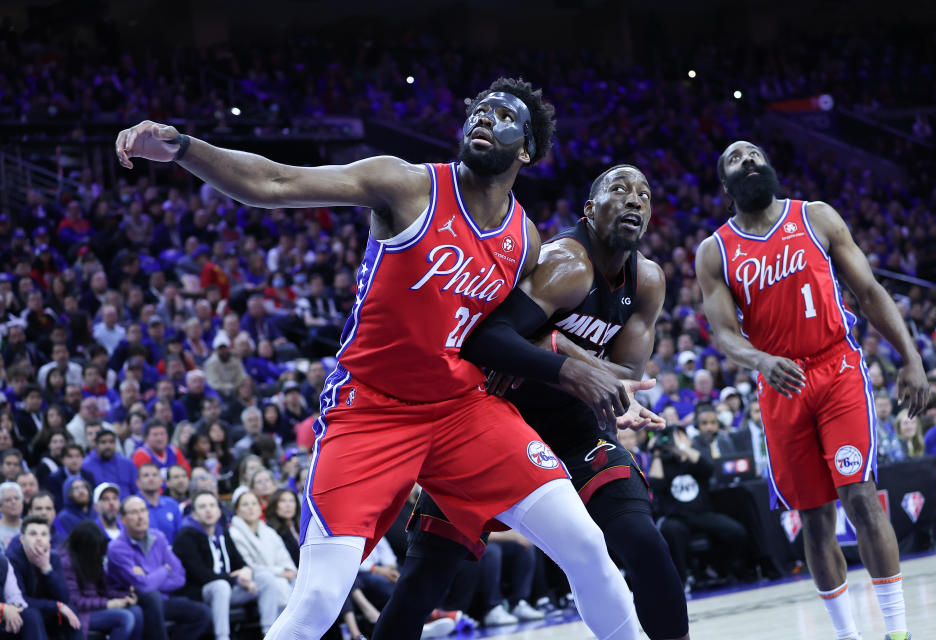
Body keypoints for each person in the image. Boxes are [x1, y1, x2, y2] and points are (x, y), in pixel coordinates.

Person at [116, 77, 646, 639]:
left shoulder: (526, 240)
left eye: (502, 116)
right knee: (319, 596)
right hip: (369, 408)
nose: (483, 119)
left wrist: (599, 375)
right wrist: (182, 147)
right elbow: (272, 182)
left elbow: (510, 338)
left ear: (526, 150)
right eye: (478, 112)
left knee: (586, 544)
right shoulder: (406, 185)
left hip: (462, 410)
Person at [372, 165, 688, 640]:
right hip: (496, 425)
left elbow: (624, 377)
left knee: (642, 540)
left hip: (574, 430)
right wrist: (568, 355)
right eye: (619, 190)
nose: (634, 200)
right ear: (589, 208)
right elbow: (485, 338)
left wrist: (556, 348)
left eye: (644, 194)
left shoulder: (646, 280)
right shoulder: (567, 264)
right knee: (424, 578)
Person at [695, 140, 929, 640]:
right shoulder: (714, 251)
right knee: (815, 519)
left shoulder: (816, 216)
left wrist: (911, 358)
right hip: (779, 384)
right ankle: (847, 635)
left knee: (861, 496)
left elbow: (869, 292)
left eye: (754, 154)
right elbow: (723, 335)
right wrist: (761, 360)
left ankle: (898, 632)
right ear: (726, 184)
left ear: (770, 166)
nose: (749, 161)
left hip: (836, 368)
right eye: (736, 159)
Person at [173, 491, 286, 640]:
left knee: (265, 578)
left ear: (219, 512)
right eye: (202, 506)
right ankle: (223, 637)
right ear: (194, 514)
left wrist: (246, 572)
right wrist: (236, 580)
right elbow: (201, 575)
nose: (208, 510)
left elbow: (239, 562)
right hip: (201, 592)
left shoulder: (223, 533)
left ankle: (269, 633)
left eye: (212, 505)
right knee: (220, 586)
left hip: (229, 587)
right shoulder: (185, 536)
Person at [647, 426, 748, 588]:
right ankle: (683, 579)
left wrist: (683, 448)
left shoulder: (694, 461)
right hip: (677, 517)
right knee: (671, 531)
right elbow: (656, 485)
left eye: (679, 437)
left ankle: (716, 569)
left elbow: (708, 468)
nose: (673, 441)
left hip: (702, 514)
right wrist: (657, 453)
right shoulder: (663, 463)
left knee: (736, 531)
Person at [105, 496, 211, 640]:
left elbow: (180, 576)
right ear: (122, 519)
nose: (140, 516)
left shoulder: (158, 537)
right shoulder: (116, 548)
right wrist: (165, 570)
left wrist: (149, 577)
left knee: (202, 613)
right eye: (134, 512)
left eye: (143, 510)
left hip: (164, 599)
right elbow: (142, 587)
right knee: (151, 597)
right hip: (134, 602)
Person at [61, 520, 143, 640]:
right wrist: (108, 604)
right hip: (80, 614)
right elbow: (75, 602)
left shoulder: (93, 556)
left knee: (136, 611)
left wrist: (125, 596)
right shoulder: (66, 563)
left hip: (95, 606)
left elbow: (104, 590)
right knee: (125, 618)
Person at [6, 515, 83, 639]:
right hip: (21, 612)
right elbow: (21, 600)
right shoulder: (12, 559)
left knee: (71, 611)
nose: (39, 539)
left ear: (49, 539)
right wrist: (57, 606)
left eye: (43, 534)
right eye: (33, 534)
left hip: (46, 611)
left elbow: (64, 597)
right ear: (22, 539)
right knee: (33, 615)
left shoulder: (53, 558)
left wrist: (47, 569)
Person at [228, 491, 295, 604]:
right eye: (245, 505)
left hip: (279, 575)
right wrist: (280, 572)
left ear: (260, 508)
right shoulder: (233, 534)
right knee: (278, 584)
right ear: (237, 510)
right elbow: (249, 566)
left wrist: (289, 570)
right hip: (254, 580)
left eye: (254, 504)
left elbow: (283, 557)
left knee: (299, 583)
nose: (250, 508)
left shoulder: (269, 531)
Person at [83, 429, 138, 498]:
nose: (108, 446)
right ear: (96, 444)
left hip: (128, 505)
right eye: (103, 442)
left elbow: (136, 490)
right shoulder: (86, 465)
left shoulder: (127, 463)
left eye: (111, 442)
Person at [135, 464, 181, 542]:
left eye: (155, 475)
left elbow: (180, 535)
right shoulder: (132, 506)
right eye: (146, 475)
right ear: (138, 482)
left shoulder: (172, 504)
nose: (151, 478)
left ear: (161, 481)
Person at [0, 483, 22, 551]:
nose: (13, 502)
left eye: (16, 498)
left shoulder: (30, 526)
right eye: (8, 500)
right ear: (0, 507)